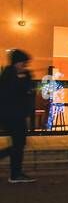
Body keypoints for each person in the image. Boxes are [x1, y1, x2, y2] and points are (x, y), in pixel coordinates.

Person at [0, 49, 36, 183]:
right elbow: (14, 92)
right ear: (17, 62)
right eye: (23, 62)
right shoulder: (8, 75)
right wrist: (24, 80)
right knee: (19, 144)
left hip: (17, 115)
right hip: (11, 115)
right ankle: (15, 174)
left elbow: (28, 90)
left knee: (19, 144)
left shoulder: (21, 74)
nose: (25, 65)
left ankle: (16, 173)